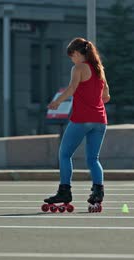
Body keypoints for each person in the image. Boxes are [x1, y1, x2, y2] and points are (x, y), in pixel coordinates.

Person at [43, 37, 111, 213]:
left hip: (81, 119)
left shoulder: (79, 68)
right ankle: (97, 193)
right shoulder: (99, 70)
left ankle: (64, 191)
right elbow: (106, 97)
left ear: (79, 54)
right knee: (93, 159)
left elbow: (72, 88)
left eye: (72, 55)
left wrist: (57, 102)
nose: (71, 60)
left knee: (64, 154)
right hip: (100, 120)